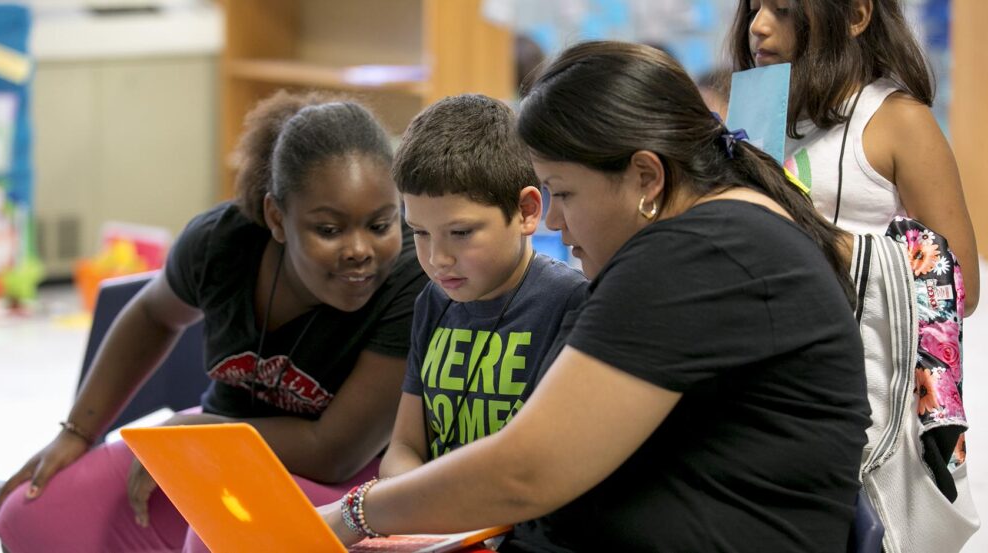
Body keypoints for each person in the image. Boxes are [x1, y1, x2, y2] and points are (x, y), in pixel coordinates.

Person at [321, 41, 870, 552]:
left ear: (645, 177)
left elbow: (526, 471)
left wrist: (354, 514)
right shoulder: (721, 236)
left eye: (563, 192)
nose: (555, 222)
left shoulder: (700, 253)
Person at [0, 91, 427, 552]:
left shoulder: (409, 278)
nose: (359, 250)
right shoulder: (221, 243)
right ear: (276, 217)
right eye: (329, 229)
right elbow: (152, 313)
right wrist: (77, 432)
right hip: (214, 445)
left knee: (220, 533)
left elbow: (334, 453)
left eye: (380, 225)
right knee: (30, 512)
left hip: (344, 485)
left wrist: (203, 435)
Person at [378, 94, 587, 480]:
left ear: (526, 211)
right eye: (420, 233)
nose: (438, 258)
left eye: (460, 233)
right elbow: (405, 446)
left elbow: (552, 463)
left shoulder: (569, 303)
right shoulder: (433, 301)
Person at [729, 0, 979, 314]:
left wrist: (807, 237)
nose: (758, 26)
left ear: (856, 16)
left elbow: (960, 288)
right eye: (754, 9)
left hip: (853, 359)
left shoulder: (898, 120)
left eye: (783, 10)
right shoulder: (756, 117)